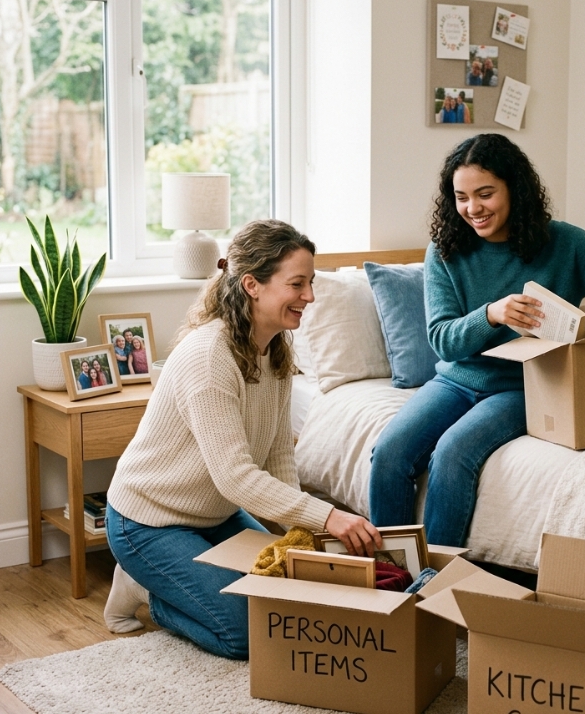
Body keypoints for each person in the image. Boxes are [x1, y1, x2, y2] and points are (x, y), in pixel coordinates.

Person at [104, 219, 381, 659]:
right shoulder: (208, 358)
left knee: (289, 606)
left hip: (215, 516)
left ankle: (172, 583)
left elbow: (276, 453)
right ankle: (146, 587)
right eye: (297, 284)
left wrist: (302, 534)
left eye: (309, 283)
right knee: (248, 633)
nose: (309, 296)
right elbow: (237, 478)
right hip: (147, 522)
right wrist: (328, 517)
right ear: (252, 284)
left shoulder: (274, 350)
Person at [368, 134, 585, 548]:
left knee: (451, 456)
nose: (472, 209)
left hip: (526, 385)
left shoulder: (564, 241)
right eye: (461, 197)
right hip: (456, 380)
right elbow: (442, 340)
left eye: (485, 194)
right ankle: (393, 576)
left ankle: (433, 584)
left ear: (514, 190)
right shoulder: (446, 251)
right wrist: (491, 314)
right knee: (389, 454)